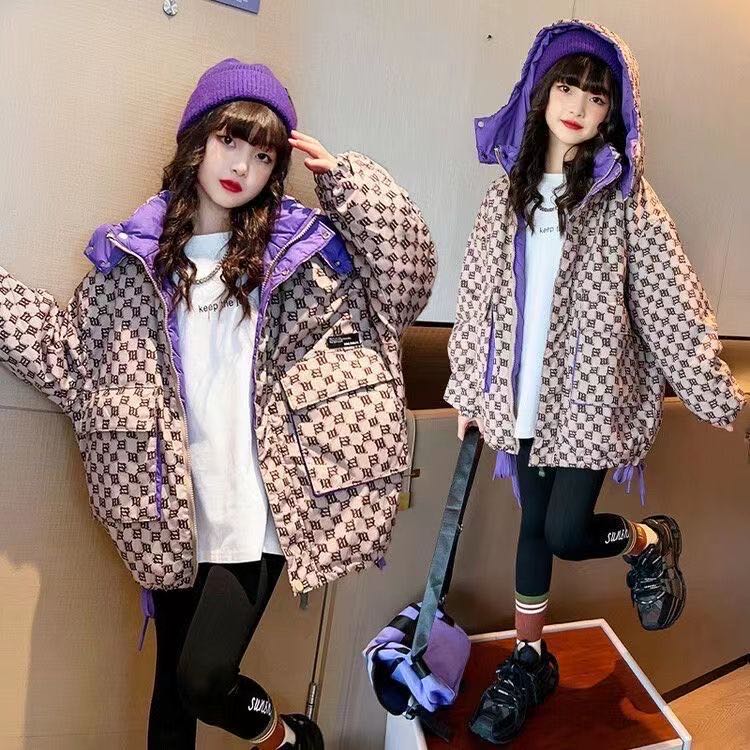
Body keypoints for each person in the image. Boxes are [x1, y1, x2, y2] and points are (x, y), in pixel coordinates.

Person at [0, 58, 436, 749]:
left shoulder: (308, 255)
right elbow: (71, 360)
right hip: (170, 502)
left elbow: (408, 280)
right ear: (197, 142)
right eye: (229, 142)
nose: (241, 166)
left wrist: (350, 184)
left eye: (263, 155)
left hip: (265, 503)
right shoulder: (132, 263)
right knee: (172, 693)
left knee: (204, 681)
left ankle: (286, 740)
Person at [443, 20, 745, 744]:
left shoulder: (625, 197)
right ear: (541, 92)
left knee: (566, 531)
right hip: (518, 398)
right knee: (533, 529)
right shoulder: (505, 197)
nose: (578, 106)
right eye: (568, 88)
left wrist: (719, 394)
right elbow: (477, 296)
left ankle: (647, 540)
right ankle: (528, 657)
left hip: (586, 402)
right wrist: (466, 390)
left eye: (598, 96)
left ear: (614, 112)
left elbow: (670, 299)